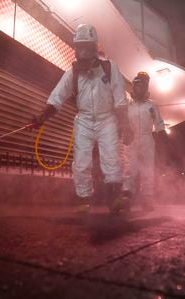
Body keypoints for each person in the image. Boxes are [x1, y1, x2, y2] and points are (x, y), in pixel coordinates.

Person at [31, 24, 132, 213]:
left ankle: (114, 199)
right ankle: (83, 200)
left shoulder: (110, 69)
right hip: (84, 120)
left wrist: (125, 127)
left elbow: (120, 101)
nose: (82, 52)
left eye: (86, 47)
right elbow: (56, 98)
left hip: (107, 118)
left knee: (111, 158)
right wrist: (41, 118)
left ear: (95, 48)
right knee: (82, 160)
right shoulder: (73, 73)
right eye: (79, 47)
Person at [122, 71, 166, 211]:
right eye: (137, 85)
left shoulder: (152, 105)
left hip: (147, 139)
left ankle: (147, 199)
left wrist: (163, 141)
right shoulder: (127, 104)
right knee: (130, 168)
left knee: (147, 170)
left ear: (146, 88)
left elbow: (159, 124)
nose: (139, 88)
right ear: (133, 87)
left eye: (143, 86)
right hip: (131, 139)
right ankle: (126, 197)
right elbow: (121, 121)